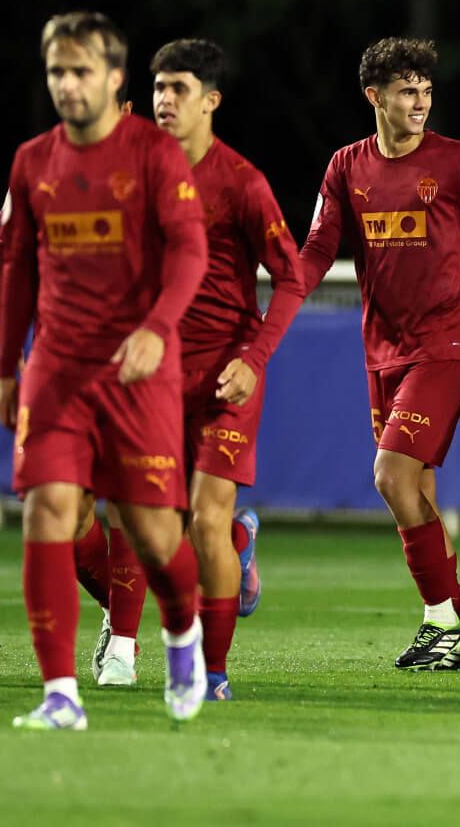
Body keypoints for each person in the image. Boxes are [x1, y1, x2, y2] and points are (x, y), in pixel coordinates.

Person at [296, 36, 460, 671]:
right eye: (406, 91)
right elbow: (314, 253)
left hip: (447, 343)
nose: (419, 103)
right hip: (379, 349)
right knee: (419, 489)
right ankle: (454, 631)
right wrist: (272, 303)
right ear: (375, 96)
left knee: (390, 477)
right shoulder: (345, 167)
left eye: (425, 91)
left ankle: (442, 620)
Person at [0, 11, 210, 729]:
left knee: (151, 536)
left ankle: (183, 632)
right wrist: (5, 366)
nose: (67, 84)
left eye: (81, 71)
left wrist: (156, 328)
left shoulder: (154, 153)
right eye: (58, 70)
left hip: (138, 371)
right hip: (57, 369)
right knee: (47, 510)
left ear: (116, 79)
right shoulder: (32, 161)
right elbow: (17, 267)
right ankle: (60, 695)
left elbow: (188, 253)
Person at [150, 38, 303, 701]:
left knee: (203, 523)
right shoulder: (133, 174)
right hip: (155, 378)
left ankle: (210, 674)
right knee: (159, 527)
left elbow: (292, 279)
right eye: (157, 87)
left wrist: (253, 358)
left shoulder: (241, 182)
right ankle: (242, 540)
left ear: (211, 101)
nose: (163, 100)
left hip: (226, 376)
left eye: (178, 89)